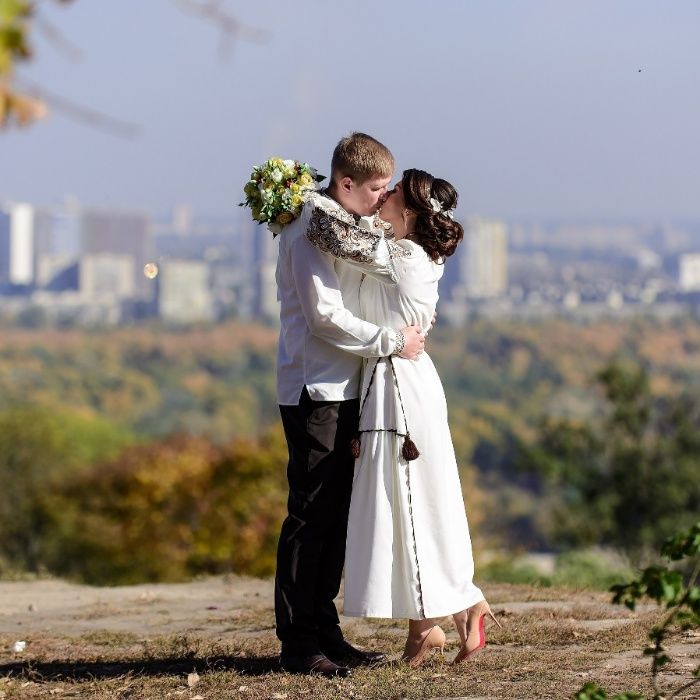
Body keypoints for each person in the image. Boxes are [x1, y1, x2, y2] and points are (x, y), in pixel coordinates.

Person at [306, 168, 500, 667]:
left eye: (391, 192)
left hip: (399, 384)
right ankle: (443, 619)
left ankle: (441, 617)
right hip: (396, 377)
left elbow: (326, 233)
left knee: (409, 498)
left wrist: (301, 193)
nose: (383, 196)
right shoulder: (407, 252)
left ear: (409, 211)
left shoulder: (406, 255)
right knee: (417, 496)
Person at [273, 133, 425, 677]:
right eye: (377, 189)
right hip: (316, 390)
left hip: (347, 389)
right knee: (310, 516)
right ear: (346, 184)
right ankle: (299, 642)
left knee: (335, 515)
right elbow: (324, 318)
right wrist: (392, 341)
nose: (382, 200)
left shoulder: (341, 226)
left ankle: (325, 629)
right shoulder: (307, 230)